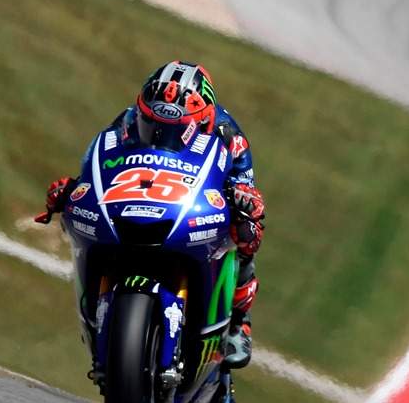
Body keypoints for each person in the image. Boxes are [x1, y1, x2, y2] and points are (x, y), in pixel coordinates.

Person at [43, 61, 265, 367]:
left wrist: (245, 200)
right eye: (153, 123)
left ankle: (240, 324)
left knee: (247, 234)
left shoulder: (229, 134)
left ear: (201, 119)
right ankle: (98, 315)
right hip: (142, 197)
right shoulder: (125, 121)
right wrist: (75, 188)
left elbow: (245, 183)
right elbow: (100, 163)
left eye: (175, 128)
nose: (161, 133)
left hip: (195, 202)